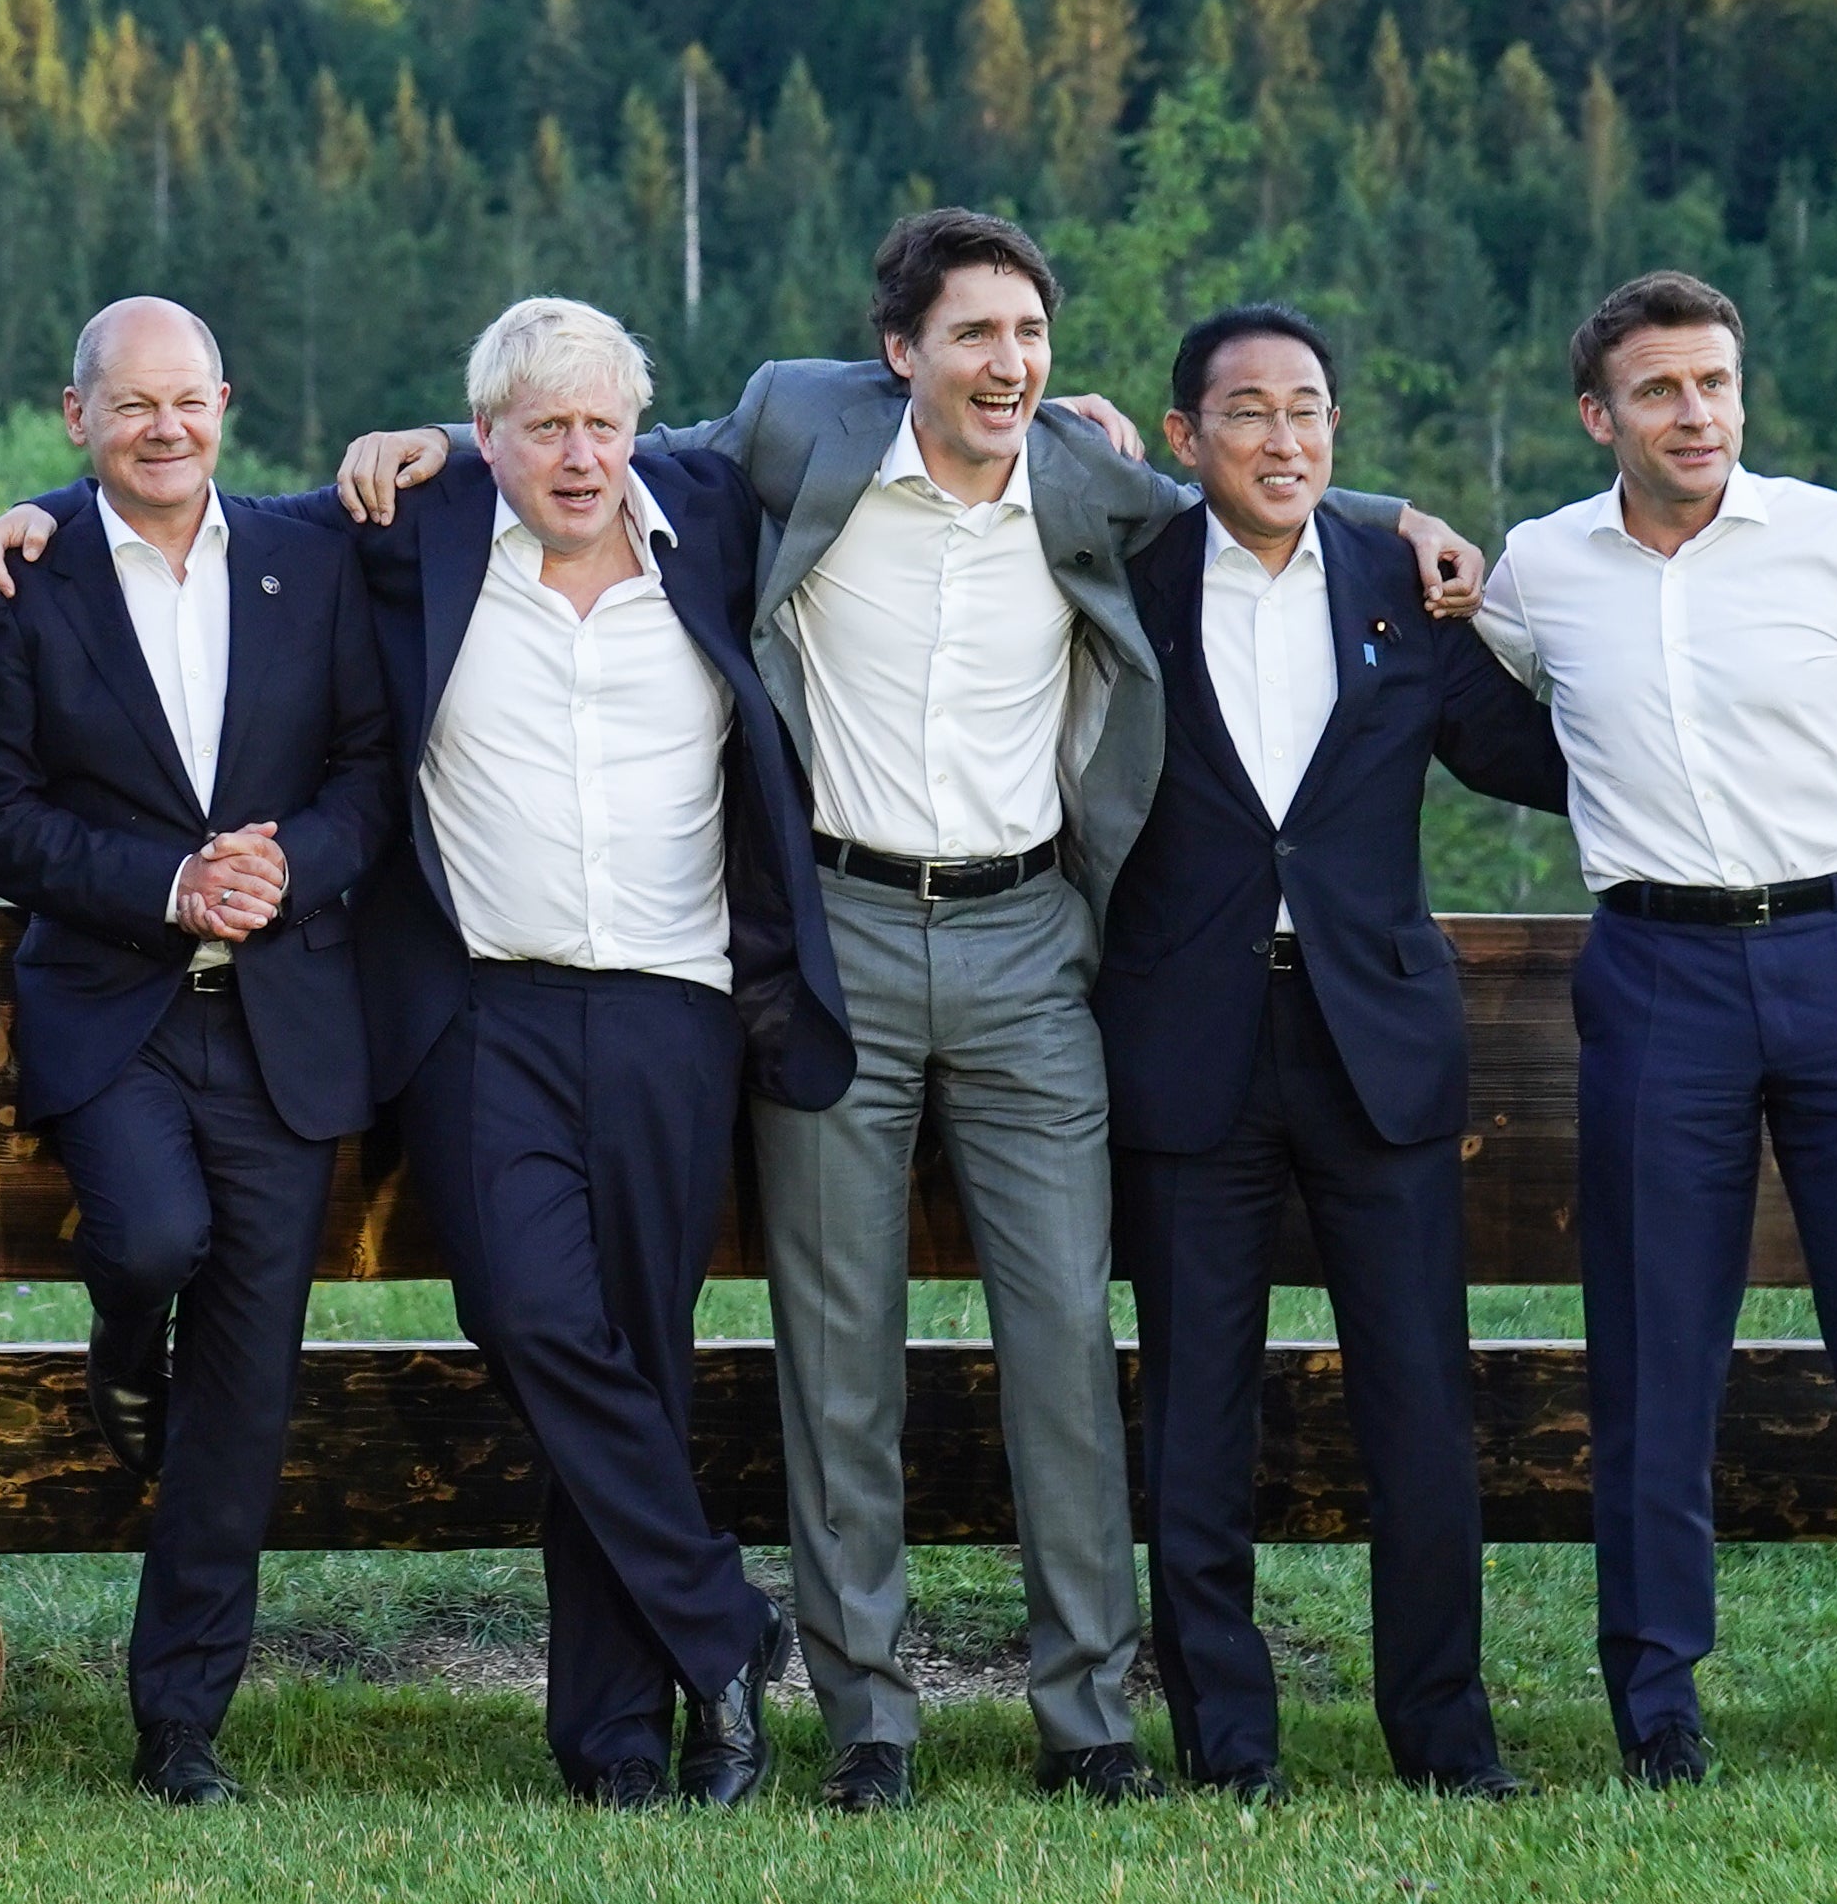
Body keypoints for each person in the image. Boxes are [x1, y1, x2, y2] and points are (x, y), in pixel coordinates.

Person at [312, 210, 1468, 1812]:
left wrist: (1402, 517)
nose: (1008, 363)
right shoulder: (803, 426)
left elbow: (1261, 487)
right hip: (832, 938)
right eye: (974, 334)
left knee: (1062, 1333)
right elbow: (605, 442)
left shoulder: (1087, 476)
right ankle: (865, 1717)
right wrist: (442, 437)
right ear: (900, 352)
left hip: (1028, 946)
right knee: (833, 1344)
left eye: (1028, 335)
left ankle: (1088, 1716)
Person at [298, 298, 855, 1807]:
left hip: (678, 1016)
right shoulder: (411, 534)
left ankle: (622, 1736)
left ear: (638, 430)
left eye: (601, 423)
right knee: (537, 1320)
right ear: (481, 434)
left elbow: (879, 400)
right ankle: (723, 1620)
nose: (576, 453)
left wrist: (1078, 425)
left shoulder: (709, 514)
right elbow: (197, 522)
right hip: (485, 1010)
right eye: (542, 424)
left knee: (635, 1370)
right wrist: (34, 520)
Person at [1473, 271, 1837, 1788]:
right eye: (1659, 390)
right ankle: (1656, 1708)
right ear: (1600, 416)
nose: (1695, 411)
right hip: (1656, 975)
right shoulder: (1539, 568)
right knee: (1653, 1365)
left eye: (1713, 381)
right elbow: (1497, 669)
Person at [1101, 303, 1567, 1804]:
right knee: (1192, 1413)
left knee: (1421, 1408)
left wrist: (1497, 585)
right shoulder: (1120, 584)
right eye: (1246, 410)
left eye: (1307, 409)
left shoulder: (1398, 583)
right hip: (1185, 1045)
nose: (1282, 437)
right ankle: (1225, 1742)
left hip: (1375, 1040)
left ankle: (1444, 1737)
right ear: (1186, 437)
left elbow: (1546, 753)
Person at [0, 299, 397, 1807]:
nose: (163, 427)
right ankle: (121, 1350)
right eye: (129, 404)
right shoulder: (22, 578)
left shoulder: (311, 555)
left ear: (225, 403)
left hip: (285, 1020)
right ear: (75, 417)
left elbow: (368, 768)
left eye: (186, 399)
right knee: (147, 1237)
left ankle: (180, 1719)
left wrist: (288, 864)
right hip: (114, 1006)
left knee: (250, 1380)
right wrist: (163, 881)